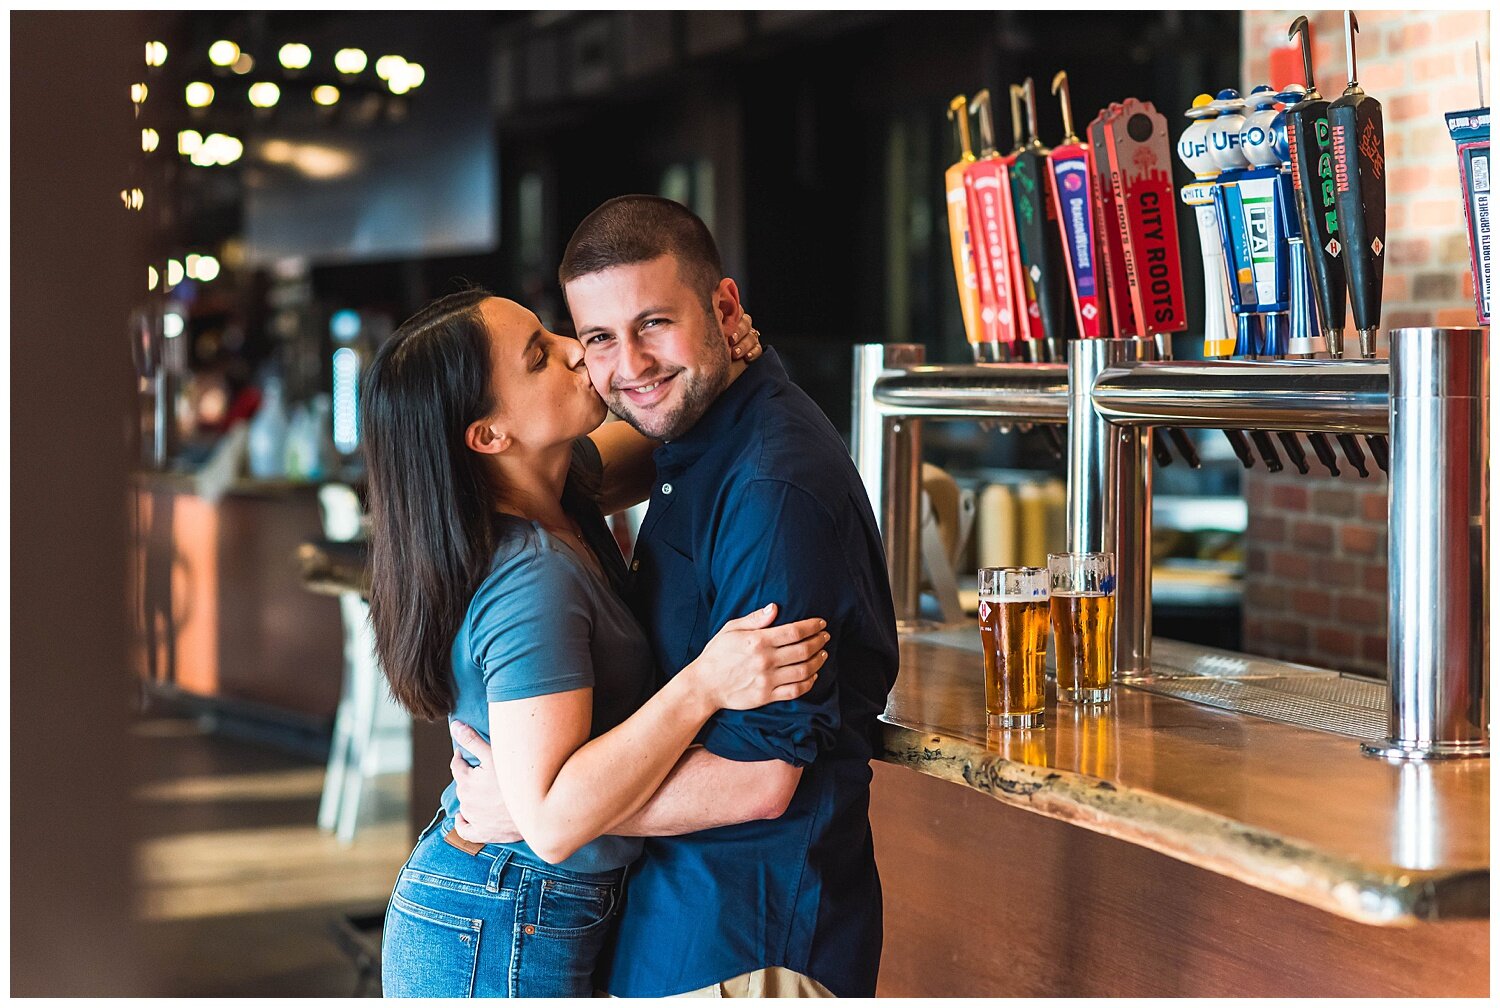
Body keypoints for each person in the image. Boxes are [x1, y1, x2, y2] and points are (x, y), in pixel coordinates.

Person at [451, 195, 900, 997]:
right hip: (677, 931)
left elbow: (760, 780)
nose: (631, 364)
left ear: (724, 307)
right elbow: (569, 471)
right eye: (597, 339)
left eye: (655, 323)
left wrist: (537, 811)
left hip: (751, 947)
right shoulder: (692, 433)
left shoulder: (771, 489)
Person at [362, 287, 831, 997]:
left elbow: (658, 425)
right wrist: (704, 684)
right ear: (489, 435)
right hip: (498, 916)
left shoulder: (559, 494)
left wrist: (709, 352)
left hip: (512, 904)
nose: (576, 348)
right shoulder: (530, 581)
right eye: (539, 357)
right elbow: (552, 822)